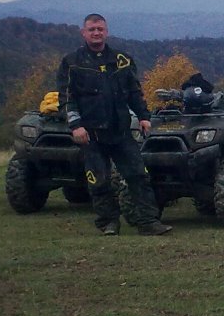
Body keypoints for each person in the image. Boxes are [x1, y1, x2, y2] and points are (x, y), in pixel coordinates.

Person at [56, 13, 171, 236]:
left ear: (106, 32)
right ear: (83, 33)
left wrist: (144, 116)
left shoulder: (122, 60)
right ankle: (108, 223)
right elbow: (66, 98)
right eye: (92, 29)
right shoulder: (71, 62)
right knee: (98, 181)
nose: (96, 33)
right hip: (90, 133)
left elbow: (134, 92)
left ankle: (148, 222)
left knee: (139, 175)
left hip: (121, 131)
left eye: (100, 29)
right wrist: (75, 125)